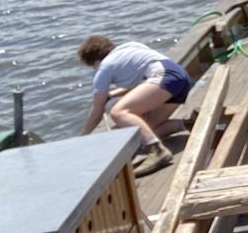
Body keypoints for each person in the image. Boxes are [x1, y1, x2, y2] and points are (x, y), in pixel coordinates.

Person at [77, 34, 192, 175]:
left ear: (94, 62)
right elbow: (145, 84)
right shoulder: (131, 47)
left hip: (165, 77)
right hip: (180, 78)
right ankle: (186, 124)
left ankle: (158, 151)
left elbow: (98, 110)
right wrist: (112, 94)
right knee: (146, 130)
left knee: (118, 112)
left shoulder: (104, 68)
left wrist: (84, 137)